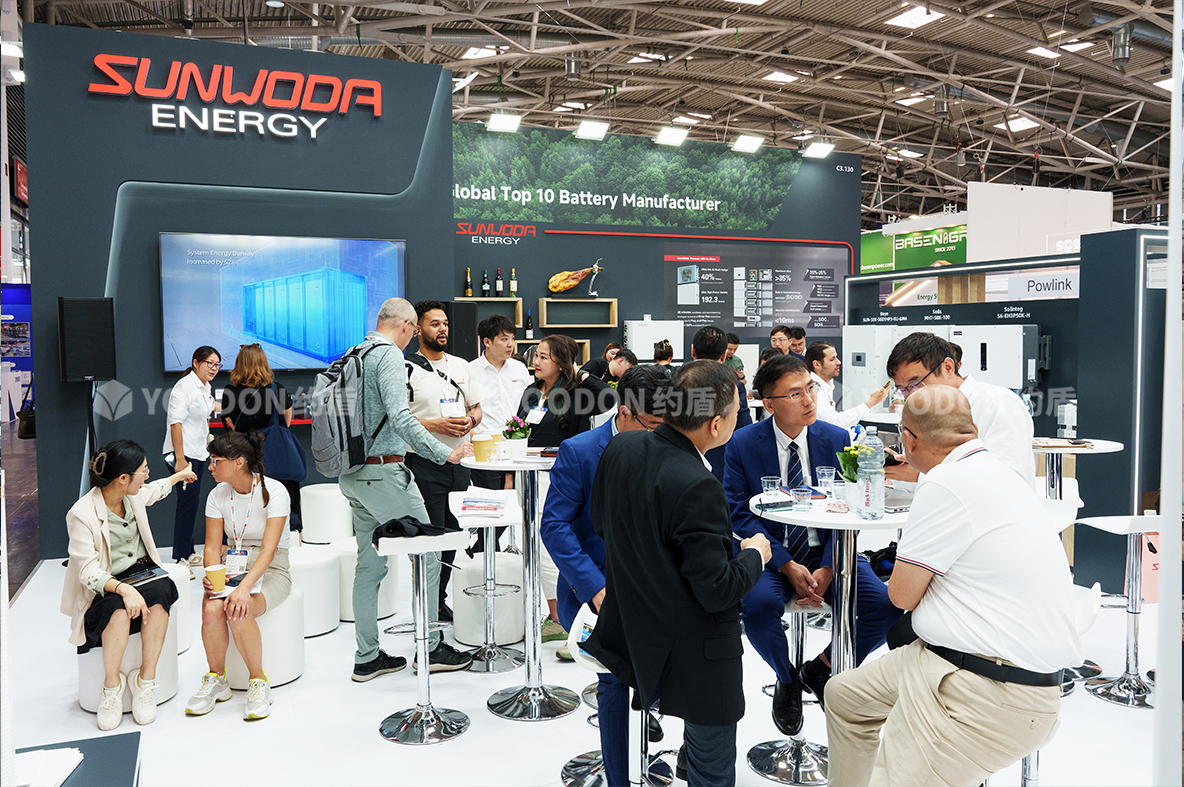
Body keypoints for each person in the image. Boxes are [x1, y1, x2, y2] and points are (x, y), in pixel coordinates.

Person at [824, 386, 1081, 787]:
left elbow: (901, 595)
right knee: (844, 697)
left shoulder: (945, 482)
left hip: (987, 686)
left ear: (907, 440)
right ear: (971, 428)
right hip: (962, 660)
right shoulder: (1001, 472)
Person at [584, 361, 771, 787]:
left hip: (629, 624)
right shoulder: (697, 483)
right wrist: (755, 556)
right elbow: (717, 589)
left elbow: (603, 525)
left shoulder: (621, 447)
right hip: (696, 651)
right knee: (711, 768)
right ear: (716, 424)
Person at [723, 354, 901, 737]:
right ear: (768, 403)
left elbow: (850, 505)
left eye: (810, 389)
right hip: (772, 554)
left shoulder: (835, 438)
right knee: (758, 608)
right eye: (794, 394)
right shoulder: (742, 443)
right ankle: (787, 677)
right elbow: (738, 514)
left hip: (831, 551)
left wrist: (830, 565)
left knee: (887, 607)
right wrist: (785, 564)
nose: (808, 400)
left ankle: (820, 667)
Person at [540, 365, 667, 786]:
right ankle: (618, 778)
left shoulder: (667, 444)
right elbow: (553, 527)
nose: (662, 433)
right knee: (614, 677)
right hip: (596, 588)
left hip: (654, 585)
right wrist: (596, 589)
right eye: (653, 425)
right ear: (625, 412)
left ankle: (649, 713)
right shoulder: (580, 451)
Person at [338, 298, 474, 682]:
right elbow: (401, 417)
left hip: (353, 474)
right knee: (429, 553)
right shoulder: (389, 356)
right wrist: (443, 454)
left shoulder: (354, 354)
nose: (413, 337)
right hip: (383, 472)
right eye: (414, 330)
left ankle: (367, 657)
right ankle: (431, 648)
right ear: (406, 326)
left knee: (369, 565)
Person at [63, 440, 196, 730]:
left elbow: (156, 489)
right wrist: (124, 589)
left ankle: (145, 680)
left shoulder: (131, 496)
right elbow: (87, 571)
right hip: (106, 584)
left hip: (142, 574)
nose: (147, 475)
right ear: (123, 478)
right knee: (118, 611)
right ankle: (112, 687)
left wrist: (179, 476)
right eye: (143, 470)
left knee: (162, 592)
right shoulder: (81, 513)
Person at [185, 432, 292, 721]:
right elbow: (211, 547)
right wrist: (212, 576)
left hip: (271, 569)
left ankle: (258, 681)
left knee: (238, 608)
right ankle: (216, 678)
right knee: (211, 608)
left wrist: (244, 588)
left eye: (216, 461)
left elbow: (269, 550)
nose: (210, 467)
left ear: (239, 462)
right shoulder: (217, 495)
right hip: (232, 565)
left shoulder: (275, 491)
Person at [404, 300, 484, 656]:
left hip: (460, 463)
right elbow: (397, 420)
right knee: (430, 542)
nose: (443, 329)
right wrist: (436, 425)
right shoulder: (405, 369)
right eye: (435, 324)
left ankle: (437, 602)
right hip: (424, 464)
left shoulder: (462, 366)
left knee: (453, 537)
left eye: (445, 324)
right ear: (417, 330)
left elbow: (477, 408)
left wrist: (471, 421)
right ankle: (426, 619)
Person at [885, 332, 1035, 488]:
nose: (911, 396)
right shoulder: (925, 411)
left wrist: (923, 473)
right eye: (903, 390)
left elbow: (1007, 479)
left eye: (916, 384)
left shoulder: (997, 403)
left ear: (948, 368)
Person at [220, 343, 303, 533]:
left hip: (244, 458)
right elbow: (286, 420)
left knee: (248, 506)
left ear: (239, 364)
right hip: (279, 456)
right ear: (264, 363)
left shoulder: (230, 392)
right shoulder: (277, 389)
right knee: (283, 504)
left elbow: (231, 423)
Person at [469, 314, 530, 553]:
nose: (510, 344)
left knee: (514, 503)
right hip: (485, 448)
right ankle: (486, 554)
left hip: (516, 446)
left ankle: (480, 550)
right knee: (492, 506)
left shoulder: (519, 368)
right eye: (504, 339)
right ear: (487, 341)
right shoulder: (470, 370)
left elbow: (527, 404)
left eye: (512, 339)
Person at [162, 345, 220, 574]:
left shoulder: (205, 386)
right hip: (183, 455)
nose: (213, 368)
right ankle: (180, 557)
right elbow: (175, 423)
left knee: (192, 503)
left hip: (198, 453)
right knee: (187, 505)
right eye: (209, 363)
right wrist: (180, 461)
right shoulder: (184, 386)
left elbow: (208, 408)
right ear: (196, 362)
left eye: (217, 365)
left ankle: (188, 550)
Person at [518, 334, 617, 448]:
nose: (536, 362)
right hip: (526, 458)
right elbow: (517, 426)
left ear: (561, 364)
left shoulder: (576, 395)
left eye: (543, 357)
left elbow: (609, 397)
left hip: (562, 458)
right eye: (536, 355)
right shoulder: (531, 391)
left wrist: (579, 373)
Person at [686, 326, 753, 481]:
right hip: (721, 460)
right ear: (723, 356)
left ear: (692, 350)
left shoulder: (677, 381)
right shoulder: (734, 386)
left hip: (681, 459)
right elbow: (744, 427)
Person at [805, 341, 889, 432]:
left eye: (836, 357)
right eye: (832, 359)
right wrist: (871, 402)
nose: (838, 362)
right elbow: (833, 424)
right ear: (817, 364)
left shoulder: (826, 385)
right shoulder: (813, 390)